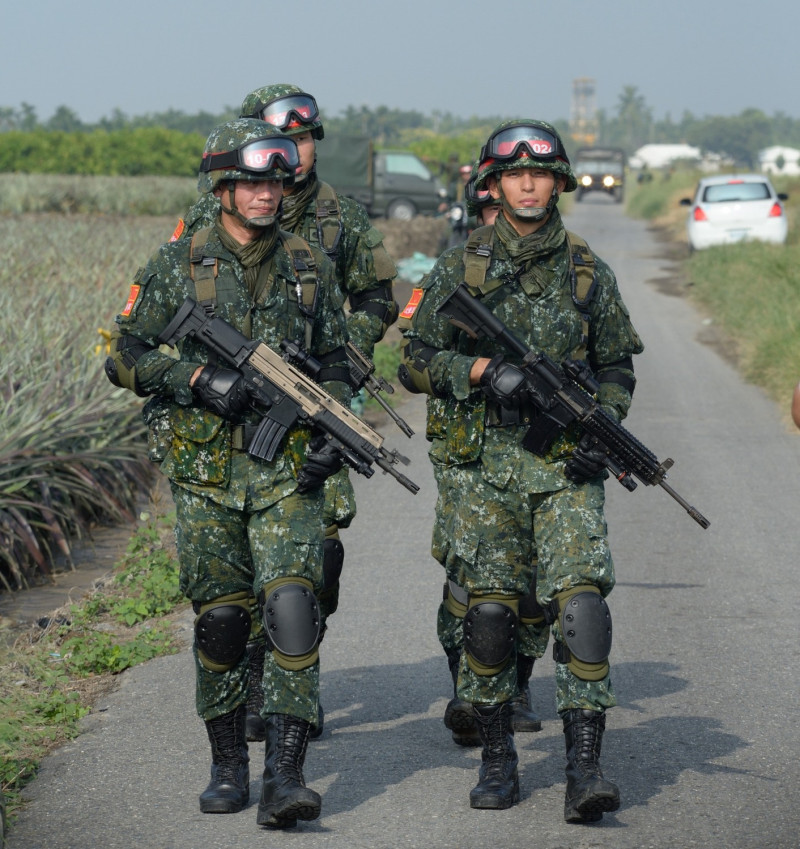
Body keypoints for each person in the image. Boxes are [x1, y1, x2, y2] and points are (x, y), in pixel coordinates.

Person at [106, 119, 352, 829]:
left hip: (286, 475)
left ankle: (284, 775)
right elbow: (124, 355)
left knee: (294, 614)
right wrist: (193, 376)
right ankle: (227, 763)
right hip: (206, 472)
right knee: (220, 623)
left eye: (275, 181)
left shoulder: (310, 266)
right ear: (222, 185)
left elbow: (335, 361)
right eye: (250, 181)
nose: (265, 194)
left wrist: (334, 434)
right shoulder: (176, 264)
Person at [398, 119, 643, 821]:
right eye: (515, 174)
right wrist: (478, 369)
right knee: (492, 614)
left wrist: (605, 422)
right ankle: (499, 754)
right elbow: (414, 361)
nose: (530, 184)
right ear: (495, 184)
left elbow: (616, 365)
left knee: (582, 607)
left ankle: (585, 766)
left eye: (541, 173)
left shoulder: (589, 269)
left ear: (559, 181)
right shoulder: (459, 266)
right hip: (481, 469)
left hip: (563, 463)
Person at [173, 84, 400, 743]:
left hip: (318, 403)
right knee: (241, 565)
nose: (292, 155)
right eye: (281, 139)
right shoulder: (205, 220)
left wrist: (345, 354)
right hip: (235, 417)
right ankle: (251, 681)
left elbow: (379, 296)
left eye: (303, 140)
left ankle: (292, 675)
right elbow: (174, 309)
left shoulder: (341, 217)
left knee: (318, 556)